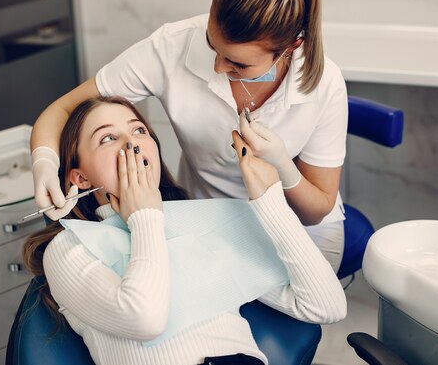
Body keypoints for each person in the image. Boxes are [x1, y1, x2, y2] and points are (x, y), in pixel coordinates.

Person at [30, 0, 348, 271]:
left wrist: (283, 167)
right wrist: (44, 161)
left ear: (290, 48)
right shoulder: (172, 47)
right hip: (206, 221)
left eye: (238, 64)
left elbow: (316, 210)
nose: (217, 66)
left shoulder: (325, 83)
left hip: (300, 229)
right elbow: (64, 107)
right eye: (212, 45)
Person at [23, 96, 347, 365]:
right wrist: (145, 217)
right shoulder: (69, 247)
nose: (130, 144)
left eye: (138, 131)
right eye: (108, 138)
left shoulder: (202, 220)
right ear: (80, 178)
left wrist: (271, 201)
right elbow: (145, 320)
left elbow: (327, 307)